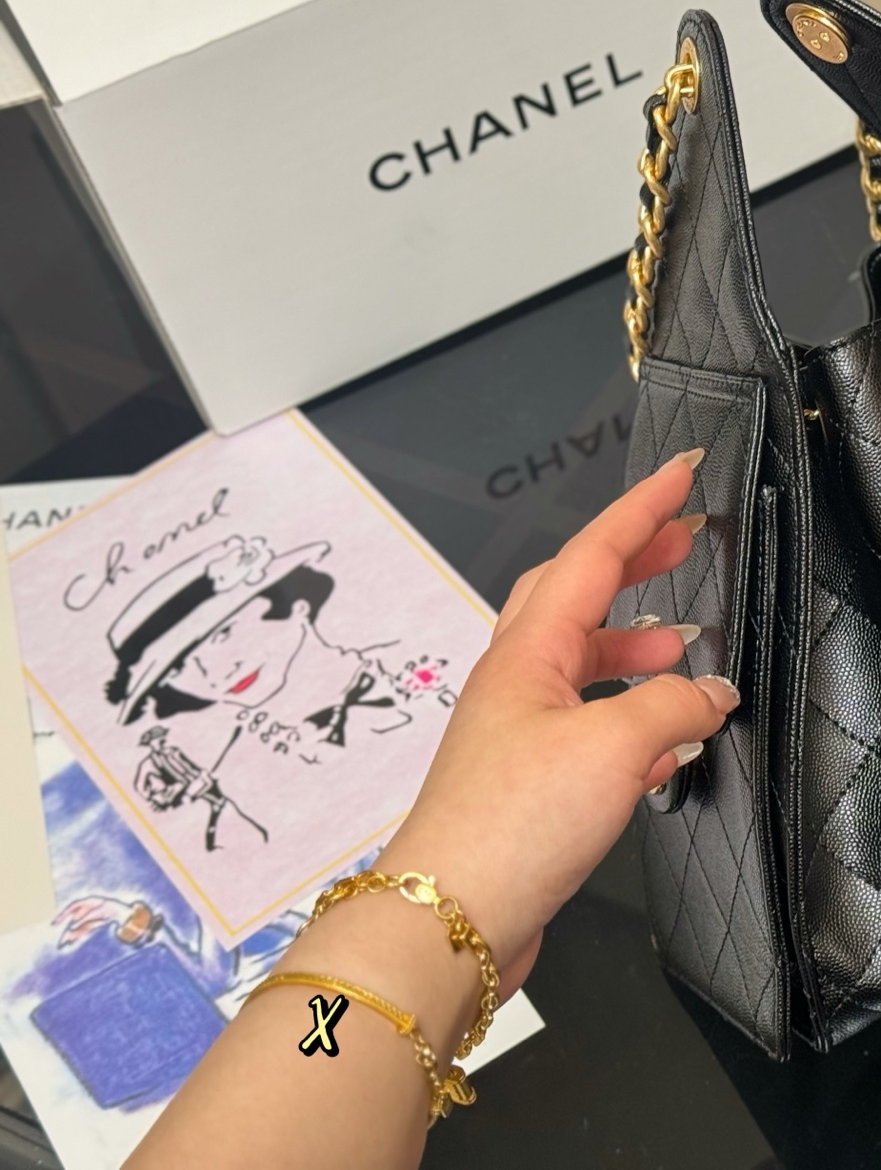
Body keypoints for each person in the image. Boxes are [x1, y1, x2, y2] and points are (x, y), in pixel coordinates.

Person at [126, 448, 735, 1169]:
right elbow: (321, 1037)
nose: (218, 666)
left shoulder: (396, 672)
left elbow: (321, 1042)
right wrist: (443, 906)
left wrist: (428, 926)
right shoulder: (221, 782)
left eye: (228, 631)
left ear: (293, 601)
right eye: (189, 667)